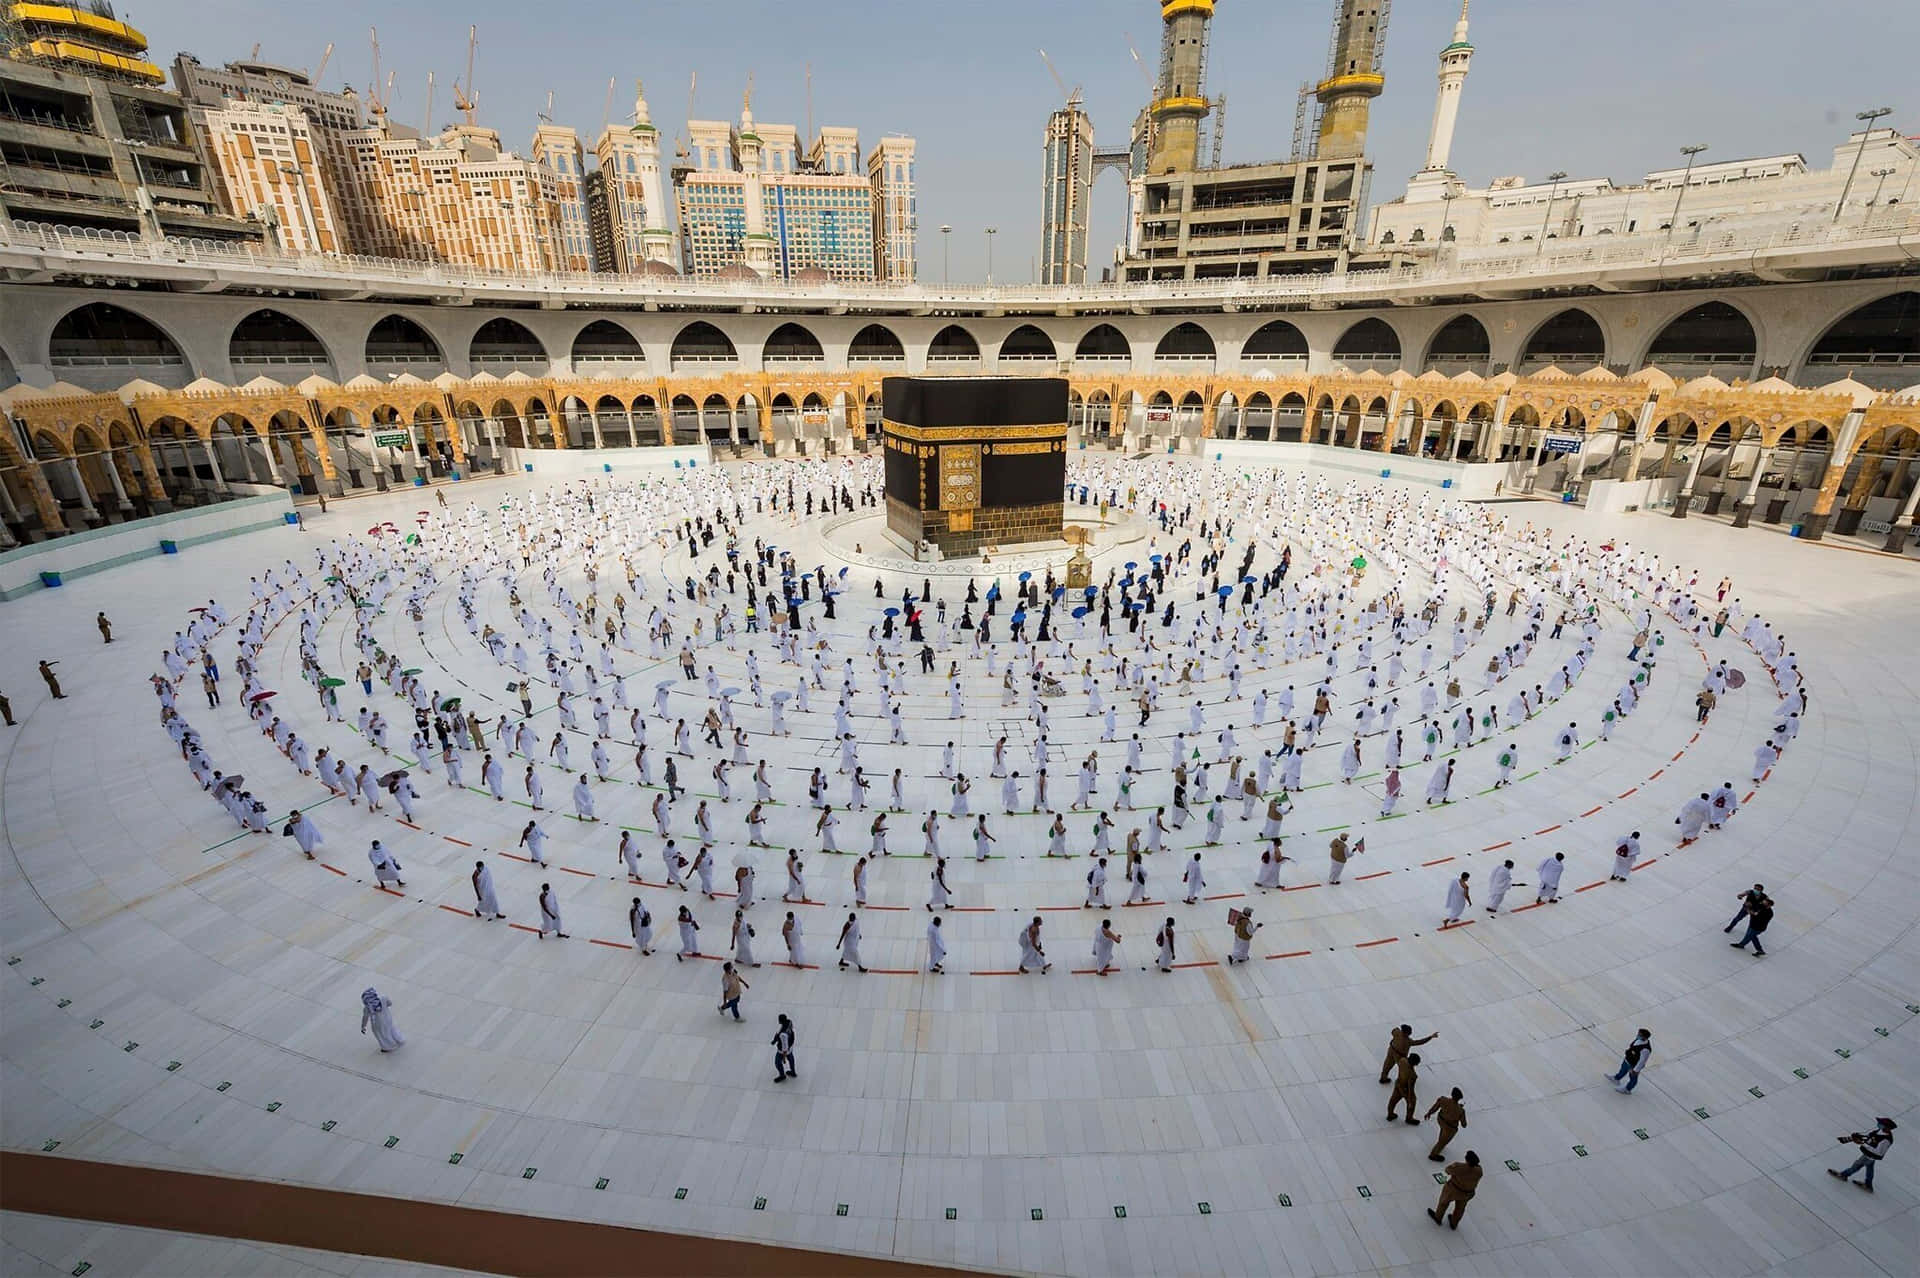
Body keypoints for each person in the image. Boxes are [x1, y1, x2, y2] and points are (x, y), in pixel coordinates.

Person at [1829, 1117, 1896, 1193]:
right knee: (1869, 1168)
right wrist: (1854, 1137)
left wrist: (1863, 1143)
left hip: (1869, 1156)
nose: (1879, 1125)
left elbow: (1879, 1152)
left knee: (1856, 1165)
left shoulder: (1886, 1140)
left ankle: (1844, 1175)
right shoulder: (1879, 1131)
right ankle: (1868, 1185)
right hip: (1869, 1156)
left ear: (1887, 1127)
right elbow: (1868, 1136)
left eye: (1881, 1124)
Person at [1426, 1151, 1482, 1230]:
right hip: (1468, 1193)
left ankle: (1438, 1217)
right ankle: (1454, 1223)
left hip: (1453, 1190)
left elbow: (1447, 1170)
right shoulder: (1479, 1170)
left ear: (1467, 1160)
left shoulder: (1459, 1166)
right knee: (1460, 1208)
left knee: (1443, 1202)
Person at [1425, 1088, 1467, 1162]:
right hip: (1450, 1127)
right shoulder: (1460, 1110)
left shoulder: (1443, 1099)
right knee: (1443, 1142)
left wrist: (1429, 1113)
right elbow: (1464, 1124)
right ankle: (1433, 1154)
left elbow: (1435, 1107)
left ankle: (1440, 1141)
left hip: (1441, 1120)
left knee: (1442, 1131)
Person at [360, 987, 404, 1052]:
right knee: (392, 1029)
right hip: (388, 1018)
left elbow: (365, 1018)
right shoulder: (384, 998)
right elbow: (390, 1003)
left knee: (382, 1035)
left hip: (378, 1024)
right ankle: (399, 1039)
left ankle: (388, 1046)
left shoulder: (367, 1008)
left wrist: (363, 1026)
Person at [1608, 1028, 1652, 1093]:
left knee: (1633, 1078)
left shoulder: (1645, 1049)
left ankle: (1627, 1089)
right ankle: (1616, 1078)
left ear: (1644, 1037)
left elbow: (1642, 1061)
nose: (1637, 1035)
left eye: (1639, 1034)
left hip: (1633, 1065)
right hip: (1628, 1060)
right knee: (1623, 1070)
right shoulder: (1638, 1040)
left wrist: (1635, 1070)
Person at [1729, 892, 1772, 956]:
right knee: (1749, 935)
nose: (1763, 902)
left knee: (1752, 936)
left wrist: (1748, 909)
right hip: (1753, 924)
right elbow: (1754, 908)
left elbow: (1755, 914)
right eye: (1764, 901)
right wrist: (1748, 905)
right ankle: (1742, 945)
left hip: (1757, 927)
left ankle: (1759, 950)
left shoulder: (1767, 912)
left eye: (1765, 902)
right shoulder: (1761, 906)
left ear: (1768, 905)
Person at [1387, 1051, 1421, 1124]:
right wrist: (1409, 1099)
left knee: (1393, 1100)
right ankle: (1409, 1118)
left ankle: (1390, 1114)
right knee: (1412, 1102)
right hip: (1405, 1088)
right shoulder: (1413, 1075)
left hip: (1398, 1083)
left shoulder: (1402, 1060)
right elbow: (1411, 1089)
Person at [772, 1013, 797, 1082]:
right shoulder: (789, 1022)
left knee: (777, 1063)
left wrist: (783, 1057)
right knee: (791, 1059)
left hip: (783, 1051)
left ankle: (782, 1075)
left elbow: (784, 1046)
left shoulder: (783, 1035)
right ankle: (793, 1072)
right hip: (791, 1046)